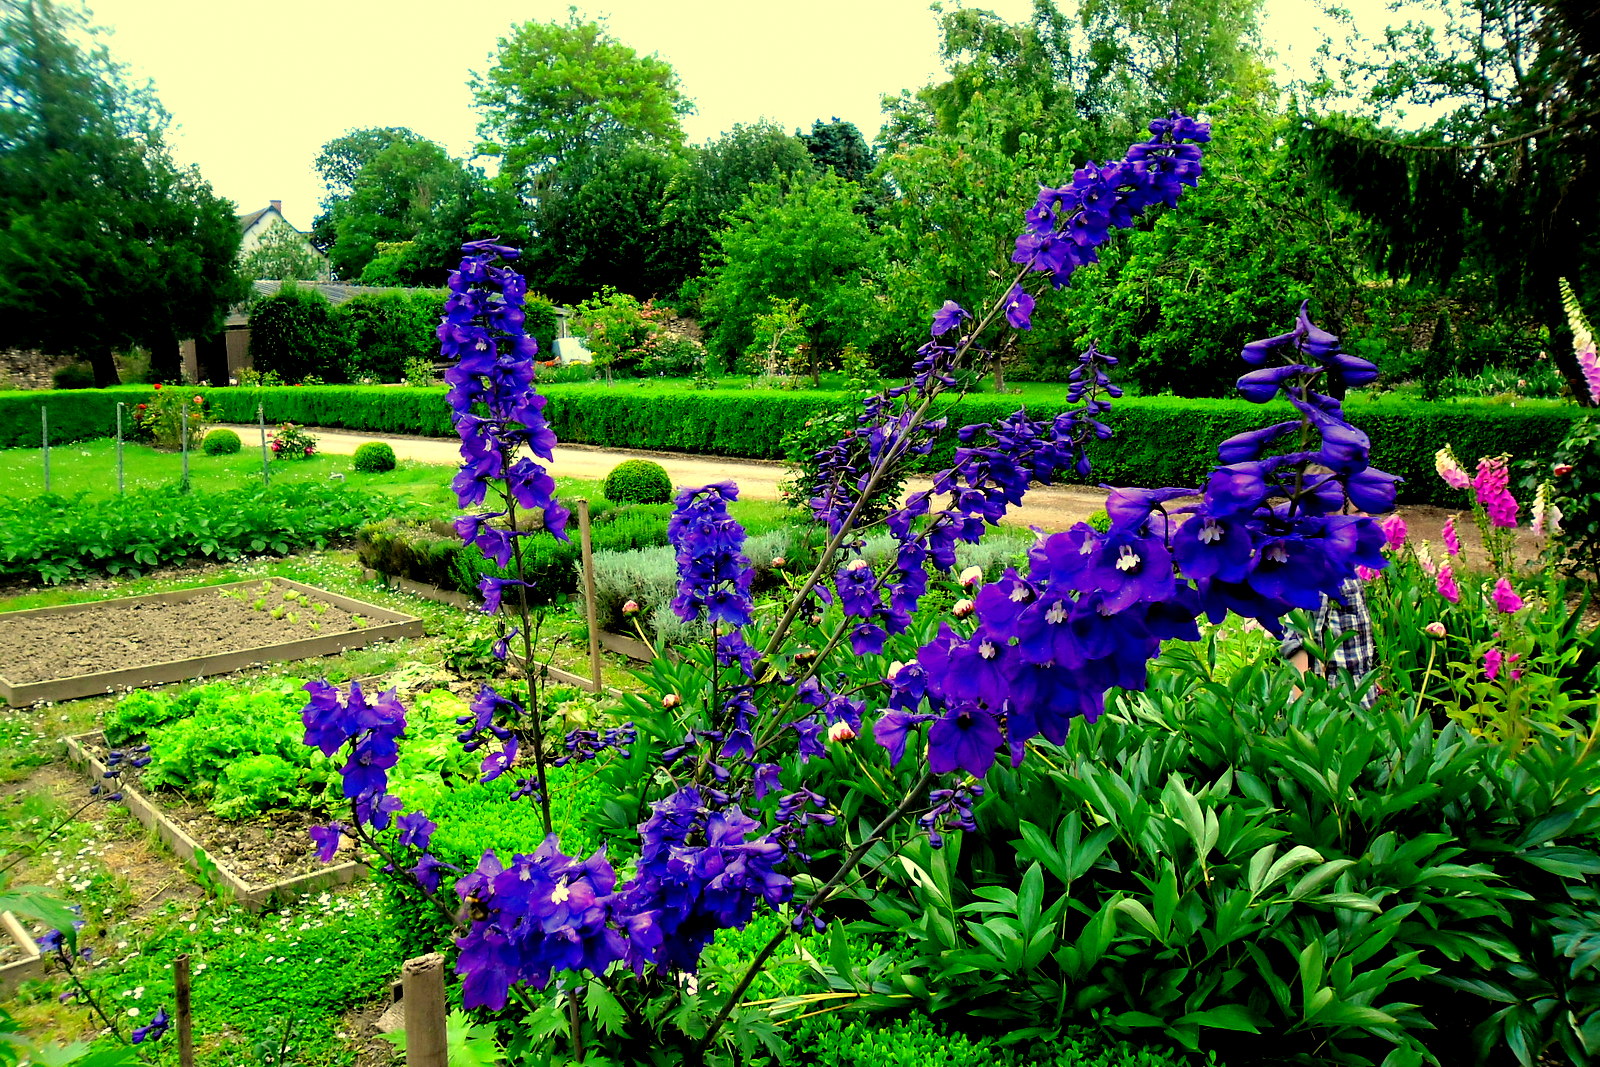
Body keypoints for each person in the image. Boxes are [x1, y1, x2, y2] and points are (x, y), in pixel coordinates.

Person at [1280, 576, 1378, 707]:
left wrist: (1369, 675)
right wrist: (1301, 704)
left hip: (1362, 689)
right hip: (1333, 697)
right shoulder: (1317, 575)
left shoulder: (1345, 569)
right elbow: (1297, 641)